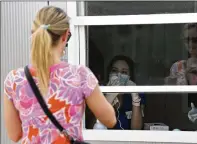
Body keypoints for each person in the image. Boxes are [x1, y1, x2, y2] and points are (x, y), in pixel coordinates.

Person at [3, 6, 116, 144]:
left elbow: (14, 135)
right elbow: (110, 120)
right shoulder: (80, 75)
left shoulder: (14, 80)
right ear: (65, 35)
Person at [165, 23, 197, 125]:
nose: (191, 45)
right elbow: (172, 100)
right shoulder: (178, 67)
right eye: (187, 40)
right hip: (183, 120)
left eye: (195, 40)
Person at [105, 55, 145, 130]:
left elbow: (136, 129)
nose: (119, 75)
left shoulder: (138, 94)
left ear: (130, 76)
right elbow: (93, 127)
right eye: (114, 70)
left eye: (124, 72)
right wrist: (108, 98)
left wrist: (135, 97)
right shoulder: (100, 91)